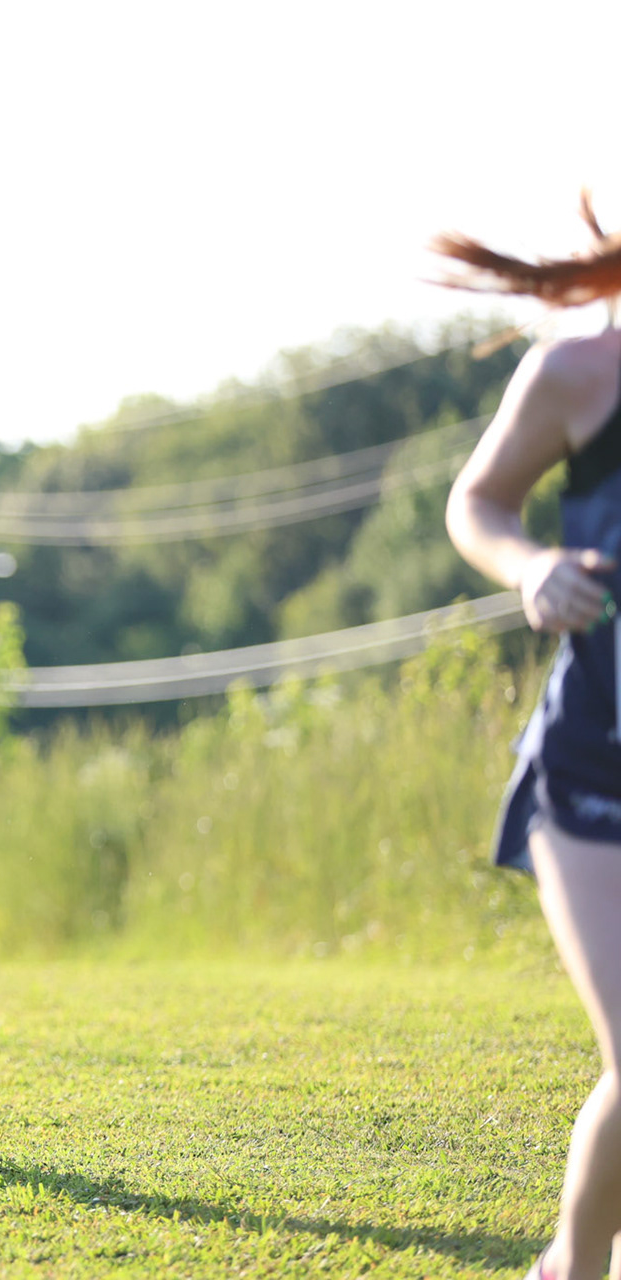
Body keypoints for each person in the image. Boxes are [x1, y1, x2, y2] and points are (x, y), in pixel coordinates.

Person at [438, 206, 621, 1280]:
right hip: (591, 770)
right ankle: (577, 1266)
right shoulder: (580, 375)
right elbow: (478, 502)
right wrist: (529, 567)